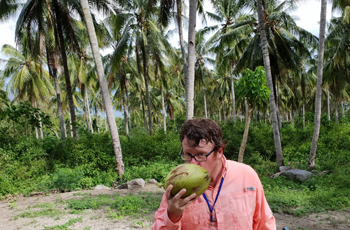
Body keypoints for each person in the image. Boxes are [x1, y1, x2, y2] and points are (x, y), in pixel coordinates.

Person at [152, 118, 276, 230]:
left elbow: (264, 224)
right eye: (187, 154)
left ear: (220, 151)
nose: (193, 163)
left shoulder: (246, 176)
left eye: (201, 154)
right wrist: (172, 215)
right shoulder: (179, 185)